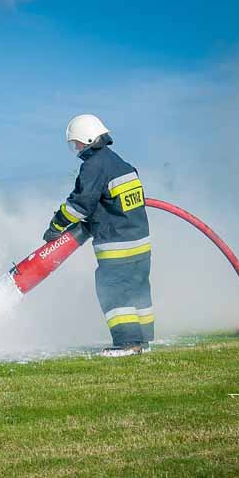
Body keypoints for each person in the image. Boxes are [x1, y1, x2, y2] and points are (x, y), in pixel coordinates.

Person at [43, 114, 153, 355]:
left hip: (117, 246)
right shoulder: (121, 164)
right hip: (141, 244)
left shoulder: (93, 167)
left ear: (89, 139)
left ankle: (128, 343)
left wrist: (56, 226)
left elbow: (79, 206)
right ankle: (143, 339)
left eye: (78, 144)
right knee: (138, 289)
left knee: (112, 289)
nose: (77, 149)